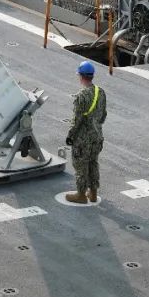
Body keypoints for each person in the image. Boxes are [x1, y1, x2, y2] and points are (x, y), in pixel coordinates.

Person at [65, 60, 108, 204]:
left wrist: (70, 135)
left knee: (80, 166)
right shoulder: (100, 92)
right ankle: (93, 193)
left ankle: (81, 195)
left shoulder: (81, 96)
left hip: (83, 140)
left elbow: (76, 120)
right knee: (93, 163)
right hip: (97, 137)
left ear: (81, 76)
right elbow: (103, 115)